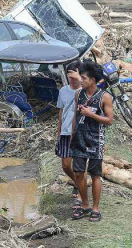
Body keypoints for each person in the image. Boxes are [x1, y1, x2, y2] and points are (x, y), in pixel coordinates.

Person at [70, 60, 113, 222]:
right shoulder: (78, 94)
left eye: (83, 78)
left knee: (95, 174)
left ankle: (96, 208)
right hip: (79, 139)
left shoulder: (105, 97)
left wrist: (91, 115)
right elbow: (76, 116)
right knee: (79, 173)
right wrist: (72, 135)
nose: (80, 80)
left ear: (92, 80)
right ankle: (85, 205)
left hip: (96, 140)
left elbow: (109, 120)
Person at [56, 61, 82, 202]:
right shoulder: (63, 91)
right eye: (69, 77)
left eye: (74, 77)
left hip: (79, 133)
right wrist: (59, 129)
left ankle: (80, 192)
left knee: (79, 165)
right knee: (65, 165)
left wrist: (80, 79)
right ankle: (78, 183)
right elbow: (61, 110)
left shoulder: (85, 91)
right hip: (65, 132)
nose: (71, 80)